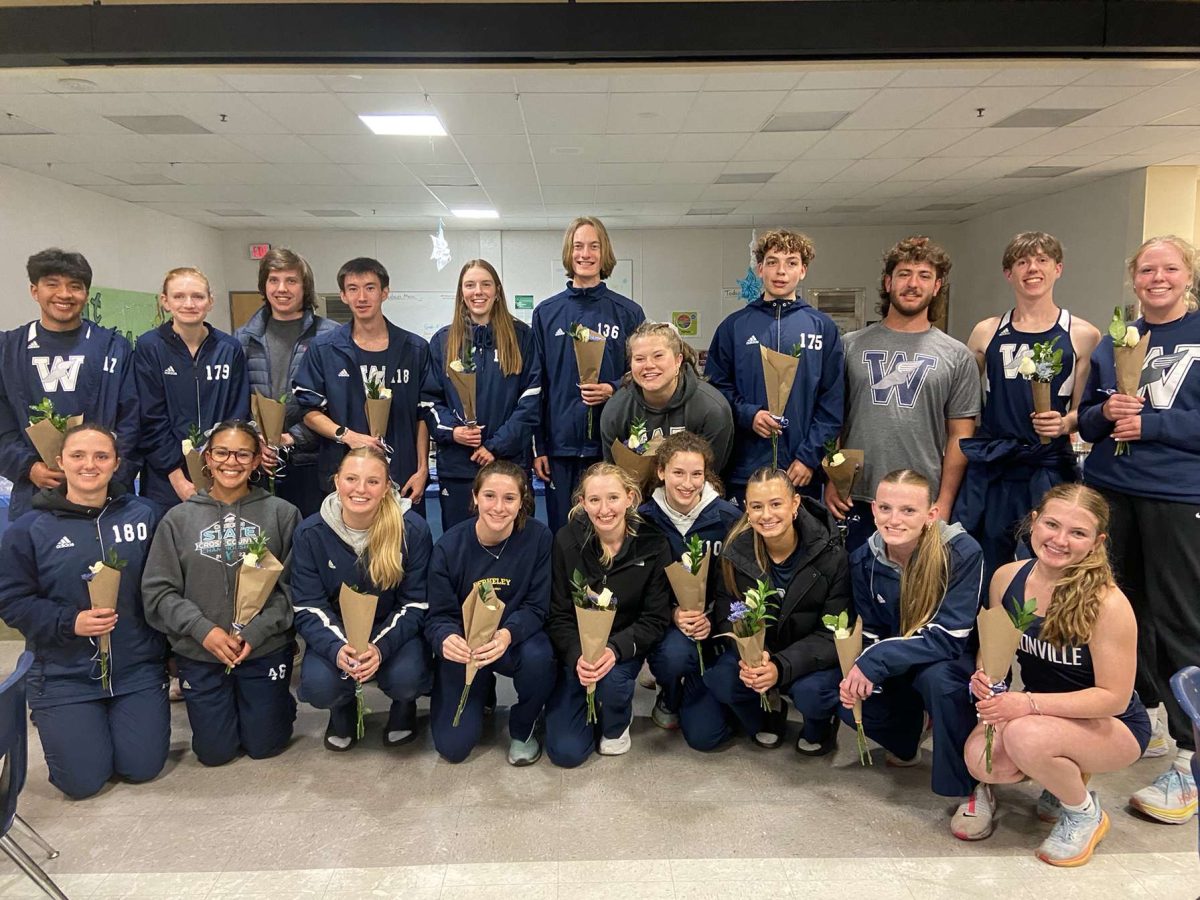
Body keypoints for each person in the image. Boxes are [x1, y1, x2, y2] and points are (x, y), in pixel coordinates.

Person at [1078, 235, 1199, 824]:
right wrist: (1105, 415)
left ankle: (1190, 756)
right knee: (1120, 615)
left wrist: (1148, 424)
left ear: (1187, 275)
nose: (1158, 277)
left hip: (1178, 497)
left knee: (1180, 620)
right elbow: (1086, 418)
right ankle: (1143, 716)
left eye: (1169, 268)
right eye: (1147, 268)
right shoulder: (1113, 340)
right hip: (1111, 494)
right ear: (1134, 277)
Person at [964, 484, 1149, 866]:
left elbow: (1113, 696)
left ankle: (1084, 814)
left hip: (1113, 722)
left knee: (1024, 735)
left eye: (1078, 533)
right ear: (1034, 522)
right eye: (1052, 524)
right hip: (1042, 712)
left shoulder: (1108, 603)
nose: (1060, 540)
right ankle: (1058, 775)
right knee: (982, 761)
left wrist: (1025, 704)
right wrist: (985, 674)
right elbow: (995, 644)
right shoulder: (1007, 578)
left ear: (1097, 541)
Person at [0, 423, 167, 799]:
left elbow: (165, 587)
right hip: (64, 674)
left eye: (101, 456)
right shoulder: (29, 529)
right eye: (78, 456)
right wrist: (68, 622)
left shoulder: (145, 516)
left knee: (142, 767)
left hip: (136, 668)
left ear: (116, 464)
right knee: (82, 783)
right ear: (60, 462)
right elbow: (11, 600)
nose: (89, 465)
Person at [835, 469, 986, 837]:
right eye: (885, 508)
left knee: (939, 681)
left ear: (931, 515)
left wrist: (874, 661)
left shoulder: (962, 551)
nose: (894, 519)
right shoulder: (863, 559)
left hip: (953, 659)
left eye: (908, 510)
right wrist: (859, 671)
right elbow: (871, 629)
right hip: (899, 656)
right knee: (847, 696)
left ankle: (972, 787)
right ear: (873, 509)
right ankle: (910, 734)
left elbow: (951, 635)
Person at [142, 419, 298, 766]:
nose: (232, 462)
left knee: (264, 746)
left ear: (257, 460)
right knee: (214, 753)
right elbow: (158, 593)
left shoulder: (281, 514)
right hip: (201, 652)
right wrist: (204, 631)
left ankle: (276, 701)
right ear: (207, 460)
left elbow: (293, 589)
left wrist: (256, 632)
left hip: (263, 650)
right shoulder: (177, 520)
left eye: (243, 454)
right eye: (222, 453)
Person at [955, 232, 1101, 575]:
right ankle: (990, 628)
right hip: (996, 466)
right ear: (1009, 274)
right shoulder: (987, 332)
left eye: (1041, 260)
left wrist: (1065, 423)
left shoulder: (1082, 334)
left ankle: (1036, 628)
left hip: (1048, 467)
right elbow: (960, 399)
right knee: (986, 557)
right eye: (1022, 262)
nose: (1032, 269)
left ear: (1058, 269)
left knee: (1045, 557)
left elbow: (1083, 409)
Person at [825, 237, 979, 554]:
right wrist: (835, 478)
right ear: (888, 282)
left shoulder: (957, 356)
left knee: (916, 593)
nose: (913, 284)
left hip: (921, 500)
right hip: (859, 495)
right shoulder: (850, 346)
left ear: (937, 286)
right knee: (855, 590)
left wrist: (944, 502)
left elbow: (960, 438)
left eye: (924, 275)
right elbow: (833, 421)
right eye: (904, 273)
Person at [687, 466, 849, 754]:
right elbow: (727, 615)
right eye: (757, 506)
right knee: (722, 679)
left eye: (776, 504)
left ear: (795, 504)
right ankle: (768, 715)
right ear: (747, 510)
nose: (767, 515)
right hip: (758, 655)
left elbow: (832, 633)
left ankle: (820, 725)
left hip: (807, 658)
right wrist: (751, 658)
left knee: (811, 693)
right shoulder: (735, 551)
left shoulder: (831, 554)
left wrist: (781, 666)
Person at [290, 447, 433, 751]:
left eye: (372, 481)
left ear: (385, 488)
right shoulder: (310, 533)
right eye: (351, 479)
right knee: (319, 685)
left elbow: (415, 603)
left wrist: (379, 648)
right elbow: (307, 605)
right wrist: (337, 648)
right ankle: (342, 707)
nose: (360, 489)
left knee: (407, 676)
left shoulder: (412, 530)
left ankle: (403, 704)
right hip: (338, 631)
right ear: (337, 481)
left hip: (392, 631)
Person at [425, 461, 555, 765]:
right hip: (466, 648)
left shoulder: (538, 539)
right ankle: (481, 691)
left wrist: (508, 634)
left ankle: (524, 725)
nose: (499, 507)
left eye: (509, 498)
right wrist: (446, 638)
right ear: (474, 497)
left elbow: (538, 606)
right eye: (489, 496)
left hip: (512, 642)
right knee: (452, 747)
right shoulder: (448, 548)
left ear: (522, 501)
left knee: (541, 657)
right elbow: (437, 616)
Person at [544, 462, 670, 766]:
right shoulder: (566, 541)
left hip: (622, 648)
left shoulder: (653, 543)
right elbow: (558, 614)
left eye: (613, 498)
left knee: (613, 683)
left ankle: (616, 720)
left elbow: (656, 618)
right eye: (594, 500)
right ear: (582, 503)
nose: (604, 509)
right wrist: (578, 655)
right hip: (577, 651)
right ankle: (564, 708)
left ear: (630, 497)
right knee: (567, 753)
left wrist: (615, 650)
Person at [706, 229, 843, 505]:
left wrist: (808, 457)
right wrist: (749, 415)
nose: (781, 271)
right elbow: (715, 389)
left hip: (800, 470)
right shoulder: (734, 326)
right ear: (759, 269)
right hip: (746, 467)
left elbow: (832, 401)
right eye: (772, 262)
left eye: (791, 262)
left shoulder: (822, 328)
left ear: (803, 271)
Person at [0, 248, 139, 519]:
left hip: (105, 493)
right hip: (35, 495)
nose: (64, 294)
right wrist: (28, 467)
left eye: (74, 286)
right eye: (52, 284)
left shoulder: (113, 348)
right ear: (34, 290)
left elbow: (131, 419)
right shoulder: (8, 350)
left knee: (107, 561)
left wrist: (106, 471)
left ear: (86, 294)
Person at [294, 257, 438, 516]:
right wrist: (347, 435)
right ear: (343, 295)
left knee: (402, 552)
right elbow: (309, 411)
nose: (362, 297)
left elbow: (423, 415)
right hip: (345, 481)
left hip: (402, 479)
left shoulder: (414, 349)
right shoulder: (324, 350)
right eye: (353, 288)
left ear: (385, 292)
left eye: (370, 288)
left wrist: (422, 470)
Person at [532, 217, 646, 532]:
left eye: (594, 246)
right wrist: (540, 447)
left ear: (604, 252)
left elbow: (643, 374)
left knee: (609, 529)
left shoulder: (628, 312)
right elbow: (537, 384)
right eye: (579, 246)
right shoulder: (546, 312)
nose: (586, 254)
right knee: (564, 532)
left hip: (610, 445)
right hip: (560, 447)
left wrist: (612, 388)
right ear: (569, 253)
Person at [636, 432, 739, 731]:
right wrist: (673, 613)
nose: (687, 483)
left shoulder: (728, 518)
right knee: (674, 657)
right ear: (660, 471)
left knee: (707, 728)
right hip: (669, 621)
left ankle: (701, 685)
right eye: (678, 473)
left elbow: (738, 582)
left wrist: (715, 617)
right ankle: (669, 691)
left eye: (697, 474)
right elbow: (639, 585)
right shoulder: (644, 521)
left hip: (718, 621)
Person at [429, 259, 541, 529]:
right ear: (461, 293)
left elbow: (532, 399)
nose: (477, 291)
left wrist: (495, 446)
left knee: (515, 544)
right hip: (458, 468)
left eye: (485, 284)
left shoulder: (522, 338)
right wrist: (454, 432)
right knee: (461, 546)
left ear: (497, 291)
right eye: (470, 285)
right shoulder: (443, 342)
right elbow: (429, 401)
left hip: (508, 465)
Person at [134, 267, 250, 510]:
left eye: (197, 296)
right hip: (165, 478)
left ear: (210, 302)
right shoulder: (149, 347)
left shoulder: (229, 349)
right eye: (179, 296)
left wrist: (225, 465)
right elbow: (150, 418)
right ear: (165, 301)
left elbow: (237, 413)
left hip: (222, 471)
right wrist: (177, 478)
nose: (189, 304)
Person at [235, 248, 338, 518]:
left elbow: (338, 404)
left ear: (305, 287)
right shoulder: (242, 339)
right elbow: (235, 401)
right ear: (264, 285)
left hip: (311, 463)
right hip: (257, 463)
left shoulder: (331, 336)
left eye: (291, 280)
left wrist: (291, 438)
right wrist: (256, 440)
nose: (282, 289)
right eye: (273, 280)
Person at [600, 321, 733, 472]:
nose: (648, 365)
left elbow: (711, 474)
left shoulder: (712, 409)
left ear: (678, 360)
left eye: (658, 356)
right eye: (639, 359)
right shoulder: (616, 410)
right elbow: (612, 474)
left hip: (694, 491)